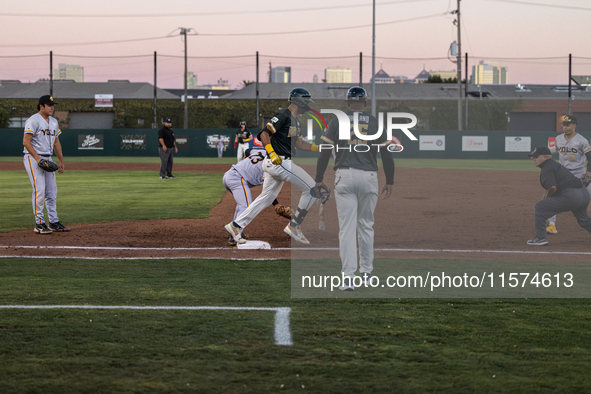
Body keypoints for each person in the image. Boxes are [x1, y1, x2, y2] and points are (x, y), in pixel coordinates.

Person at [315, 87, 395, 291]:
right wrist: (390, 180)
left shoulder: (336, 121)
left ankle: (348, 278)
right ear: (365, 103)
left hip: (345, 176)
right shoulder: (375, 122)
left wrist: (318, 178)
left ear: (347, 103)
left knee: (347, 229)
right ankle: (367, 274)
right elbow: (387, 154)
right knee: (366, 226)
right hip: (369, 177)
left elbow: (324, 152)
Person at [224, 88, 320, 245]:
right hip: (279, 161)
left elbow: (300, 144)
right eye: (306, 103)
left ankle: (235, 225)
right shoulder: (283, 115)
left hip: (276, 164)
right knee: (311, 189)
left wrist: (319, 148)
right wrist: (271, 152)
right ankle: (293, 226)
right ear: (299, 101)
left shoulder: (295, 120)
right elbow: (264, 134)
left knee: (266, 199)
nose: (307, 106)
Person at [23, 95, 70, 234]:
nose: (52, 107)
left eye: (52, 105)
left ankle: (54, 222)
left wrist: (61, 161)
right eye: (49, 105)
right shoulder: (33, 120)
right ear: (41, 106)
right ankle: (39, 223)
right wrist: (37, 159)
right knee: (40, 191)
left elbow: (56, 143)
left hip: (48, 158)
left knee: (51, 192)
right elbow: (26, 142)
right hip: (33, 158)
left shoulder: (54, 122)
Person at [526, 146, 591, 246]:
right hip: (584, 194)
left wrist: (547, 196)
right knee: (583, 219)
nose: (534, 159)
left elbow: (552, 187)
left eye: (536, 157)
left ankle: (540, 238)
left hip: (572, 196)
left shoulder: (547, 168)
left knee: (540, 207)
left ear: (545, 157)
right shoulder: (555, 165)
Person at [222, 148, 283, 245]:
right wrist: (276, 204)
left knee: (241, 204)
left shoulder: (262, 150)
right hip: (237, 178)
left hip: (228, 176)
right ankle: (235, 236)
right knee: (246, 207)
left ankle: (234, 230)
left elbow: (248, 150)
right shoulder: (271, 164)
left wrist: (246, 160)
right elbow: (267, 190)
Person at [546, 115, 591, 234]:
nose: (565, 127)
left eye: (568, 125)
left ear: (574, 125)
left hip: (579, 174)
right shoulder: (559, 138)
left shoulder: (582, 140)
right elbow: (555, 149)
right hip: (563, 174)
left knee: (586, 197)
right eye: (564, 125)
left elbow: (590, 158)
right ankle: (551, 225)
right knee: (553, 195)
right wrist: (542, 152)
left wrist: (589, 172)